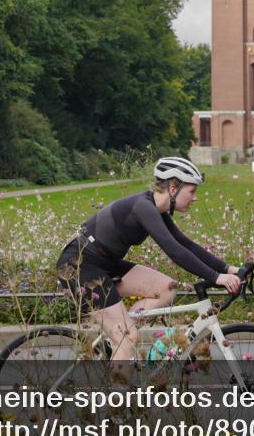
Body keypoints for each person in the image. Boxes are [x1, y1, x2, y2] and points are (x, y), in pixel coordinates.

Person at [56, 156, 241, 375]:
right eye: (191, 191)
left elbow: (185, 243)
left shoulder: (156, 209)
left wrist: (228, 269)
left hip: (105, 263)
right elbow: (174, 250)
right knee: (126, 336)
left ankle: (120, 344)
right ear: (173, 187)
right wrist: (217, 277)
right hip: (78, 267)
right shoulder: (143, 207)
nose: (195, 198)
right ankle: (117, 403)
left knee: (167, 287)